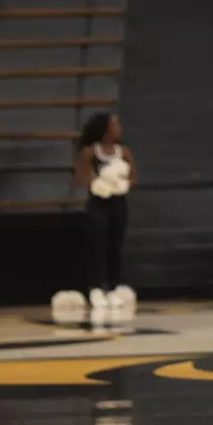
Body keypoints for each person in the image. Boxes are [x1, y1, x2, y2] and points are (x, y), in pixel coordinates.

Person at [73, 111, 135, 312]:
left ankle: (113, 287)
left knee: (115, 245)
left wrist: (123, 184)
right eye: (116, 125)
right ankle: (96, 288)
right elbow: (81, 177)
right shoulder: (90, 152)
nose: (120, 129)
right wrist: (99, 181)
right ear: (106, 130)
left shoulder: (124, 152)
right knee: (98, 245)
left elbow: (133, 176)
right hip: (98, 204)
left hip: (118, 204)